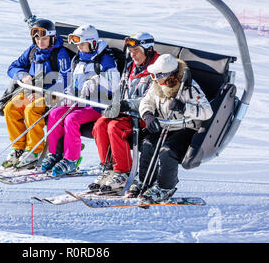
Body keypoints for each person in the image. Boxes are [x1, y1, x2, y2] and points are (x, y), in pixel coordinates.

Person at [130, 53, 213, 203]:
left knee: (167, 151)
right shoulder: (157, 85)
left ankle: (165, 187)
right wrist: (147, 115)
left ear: (168, 75)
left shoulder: (189, 88)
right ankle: (145, 181)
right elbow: (146, 101)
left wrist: (184, 107)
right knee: (148, 144)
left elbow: (207, 112)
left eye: (157, 75)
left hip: (185, 129)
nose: (153, 78)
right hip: (165, 126)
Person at [40, 24, 121, 177]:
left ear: (93, 43)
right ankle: (56, 154)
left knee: (72, 119)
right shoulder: (78, 60)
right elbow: (73, 82)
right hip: (80, 101)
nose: (80, 48)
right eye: (78, 45)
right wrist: (67, 95)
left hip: (99, 105)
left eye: (83, 44)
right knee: (55, 113)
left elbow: (115, 84)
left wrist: (97, 80)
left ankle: (71, 159)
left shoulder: (105, 59)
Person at [89, 32, 160, 192]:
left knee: (115, 127)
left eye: (137, 51)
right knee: (100, 124)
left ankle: (123, 172)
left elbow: (152, 99)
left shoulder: (157, 69)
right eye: (131, 51)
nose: (133, 55)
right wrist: (114, 104)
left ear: (148, 50)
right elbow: (120, 90)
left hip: (146, 115)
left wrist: (125, 105)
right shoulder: (131, 66)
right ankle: (108, 168)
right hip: (127, 111)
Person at [2, 19, 72, 168]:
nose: (40, 42)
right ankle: (18, 148)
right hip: (33, 91)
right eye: (37, 38)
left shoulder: (60, 54)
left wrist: (43, 93)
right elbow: (13, 67)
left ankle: (34, 150)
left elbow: (66, 80)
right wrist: (23, 75)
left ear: (52, 38)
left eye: (44, 38)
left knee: (31, 109)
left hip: (53, 94)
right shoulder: (33, 51)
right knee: (10, 109)